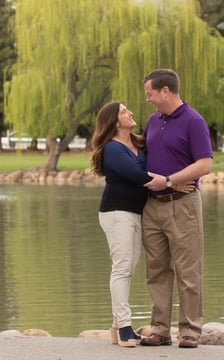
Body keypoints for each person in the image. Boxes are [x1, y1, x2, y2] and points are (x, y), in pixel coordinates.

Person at [90, 101, 191, 348]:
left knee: (128, 269)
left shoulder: (136, 143)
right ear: (114, 121)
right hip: (116, 213)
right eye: (124, 111)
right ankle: (125, 327)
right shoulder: (112, 149)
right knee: (122, 268)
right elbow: (136, 176)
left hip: (135, 213)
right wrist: (172, 183)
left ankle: (117, 327)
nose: (131, 112)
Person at [139, 69, 213, 349]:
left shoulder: (193, 121)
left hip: (183, 206)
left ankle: (190, 331)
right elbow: (144, 153)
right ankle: (159, 330)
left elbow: (204, 164)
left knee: (188, 271)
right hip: (152, 207)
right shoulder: (152, 120)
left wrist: (171, 181)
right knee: (156, 270)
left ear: (165, 91)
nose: (148, 99)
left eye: (150, 93)